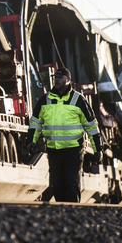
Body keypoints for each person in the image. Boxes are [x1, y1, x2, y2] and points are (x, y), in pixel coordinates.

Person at [27, 67, 101, 203]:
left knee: (71, 184)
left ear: (68, 80)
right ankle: (62, 212)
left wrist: (97, 150)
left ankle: (73, 212)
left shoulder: (79, 100)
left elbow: (91, 127)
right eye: (55, 77)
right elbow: (35, 123)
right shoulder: (46, 99)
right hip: (54, 150)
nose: (56, 80)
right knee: (58, 185)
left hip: (73, 150)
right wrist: (31, 141)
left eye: (60, 78)